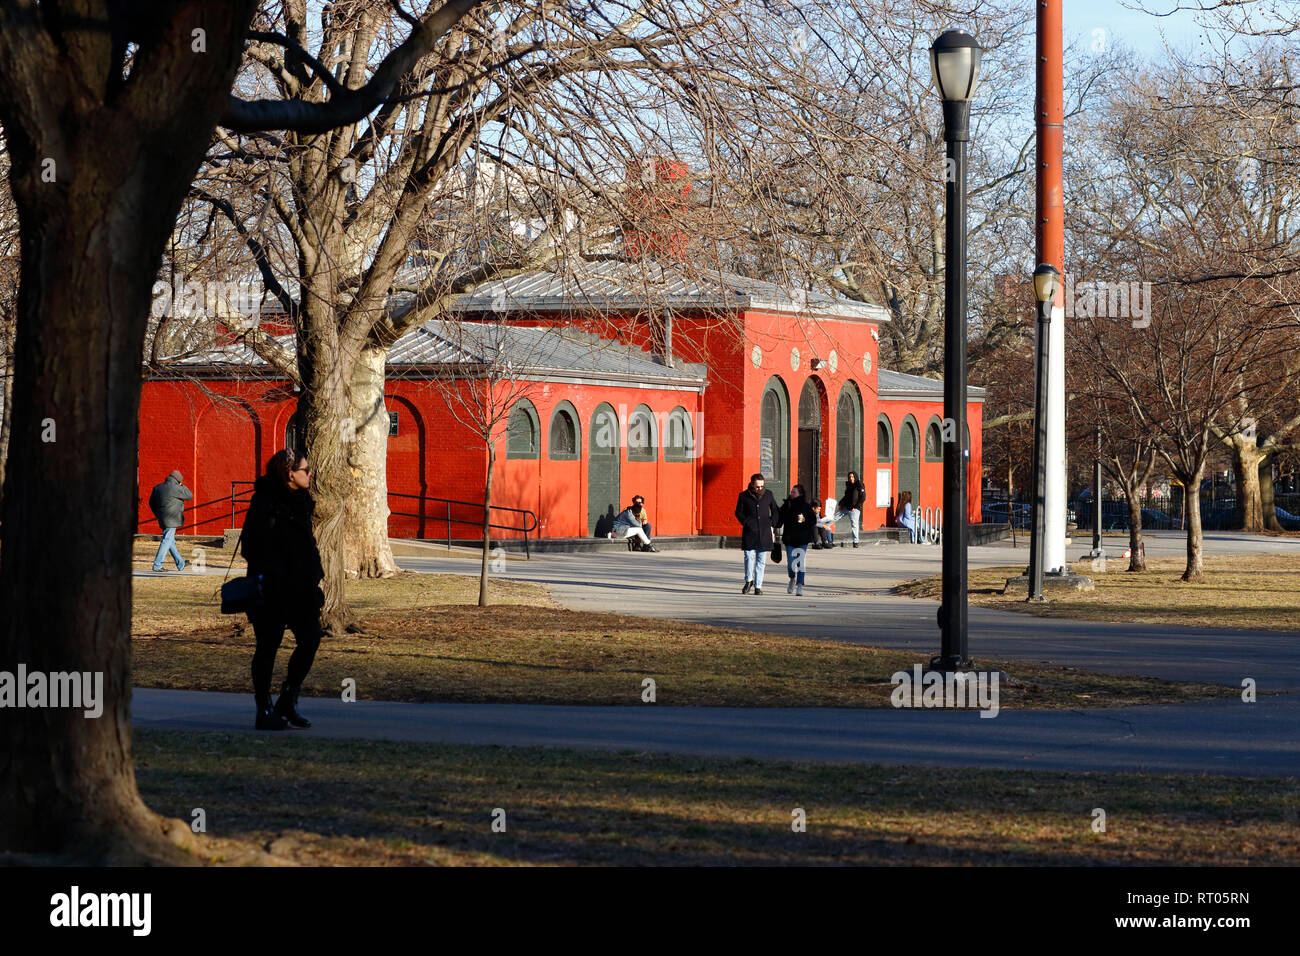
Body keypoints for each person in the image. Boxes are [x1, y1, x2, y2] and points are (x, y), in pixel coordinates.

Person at [240, 449, 325, 731]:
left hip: (302, 589)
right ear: (291, 474)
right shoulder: (264, 502)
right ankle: (263, 710)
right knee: (267, 647)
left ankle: (288, 700)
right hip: (272, 589)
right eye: (306, 470)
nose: (310, 474)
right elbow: (250, 546)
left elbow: (306, 544)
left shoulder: (303, 501)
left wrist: (314, 573)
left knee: (311, 639)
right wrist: (277, 570)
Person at [734, 473, 780, 595]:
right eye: (757, 487)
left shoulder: (768, 494)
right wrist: (746, 522)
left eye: (762, 486)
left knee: (761, 559)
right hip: (750, 531)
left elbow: (775, 510)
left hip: (764, 531)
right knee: (749, 556)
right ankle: (749, 580)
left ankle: (758, 586)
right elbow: (738, 512)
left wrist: (772, 522)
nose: (760, 488)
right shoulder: (744, 496)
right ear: (752, 485)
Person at [148, 469, 192, 572]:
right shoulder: (176, 488)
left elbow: (151, 503)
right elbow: (189, 495)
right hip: (172, 518)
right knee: (167, 540)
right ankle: (157, 565)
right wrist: (181, 485)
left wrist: (158, 515)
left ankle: (180, 563)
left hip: (162, 518)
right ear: (178, 480)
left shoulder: (158, 487)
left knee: (170, 541)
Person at [779, 484, 817, 596]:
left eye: (794, 492)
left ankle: (800, 585)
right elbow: (779, 518)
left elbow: (813, 521)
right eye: (791, 491)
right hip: (789, 538)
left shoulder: (806, 506)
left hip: (802, 539)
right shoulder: (787, 505)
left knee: (800, 563)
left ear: (800, 494)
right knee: (791, 563)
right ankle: (792, 579)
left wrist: (805, 520)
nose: (791, 493)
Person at [836, 471, 867, 548]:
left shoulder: (859, 485)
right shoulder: (849, 485)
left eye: (852, 477)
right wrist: (841, 503)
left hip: (854, 509)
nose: (851, 478)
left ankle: (856, 542)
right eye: (849, 477)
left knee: (854, 525)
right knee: (834, 517)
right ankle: (826, 537)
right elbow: (846, 496)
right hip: (846, 507)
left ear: (855, 477)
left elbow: (863, 497)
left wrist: (856, 507)